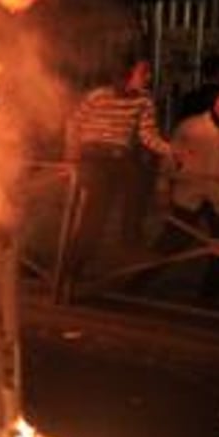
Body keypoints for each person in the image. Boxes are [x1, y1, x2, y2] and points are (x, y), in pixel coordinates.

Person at [142, 79, 219, 301]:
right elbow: (169, 159)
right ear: (215, 99)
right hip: (190, 193)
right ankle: (134, 284)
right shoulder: (190, 126)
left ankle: (208, 299)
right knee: (170, 243)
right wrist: (163, 188)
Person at [65, 57, 177, 286]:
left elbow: (148, 135)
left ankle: (130, 240)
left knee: (140, 179)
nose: (148, 77)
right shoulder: (98, 96)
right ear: (128, 73)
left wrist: (171, 150)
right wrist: (71, 155)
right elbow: (74, 124)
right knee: (95, 214)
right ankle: (71, 268)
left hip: (119, 157)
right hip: (93, 157)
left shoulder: (144, 101)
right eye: (143, 72)